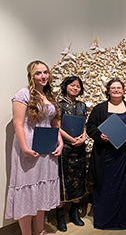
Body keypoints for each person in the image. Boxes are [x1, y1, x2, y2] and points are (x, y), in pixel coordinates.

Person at [5, 60, 63, 235]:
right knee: (27, 190)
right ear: (31, 75)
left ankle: (40, 231)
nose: (43, 76)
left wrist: (60, 142)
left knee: (41, 190)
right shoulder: (23, 94)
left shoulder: (49, 96)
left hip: (47, 148)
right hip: (29, 147)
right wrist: (24, 148)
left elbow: (54, 123)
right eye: (38, 73)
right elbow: (18, 124)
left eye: (45, 72)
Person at [86, 78, 126, 230]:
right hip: (105, 155)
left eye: (119, 88)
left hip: (124, 155)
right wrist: (99, 135)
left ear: (123, 91)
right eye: (113, 88)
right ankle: (103, 219)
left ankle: (122, 220)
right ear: (108, 91)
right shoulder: (99, 108)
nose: (116, 90)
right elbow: (90, 126)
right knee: (103, 186)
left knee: (123, 187)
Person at [56, 76, 87, 232]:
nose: (75, 88)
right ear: (65, 87)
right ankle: (60, 216)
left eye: (78, 86)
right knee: (63, 181)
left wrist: (83, 138)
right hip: (65, 148)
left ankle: (75, 214)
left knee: (79, 179)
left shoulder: (82, 105)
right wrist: (71, 140)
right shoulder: (59, 105)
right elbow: (57, 126)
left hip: (80, 148)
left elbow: (84, 125)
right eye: (72, 85)